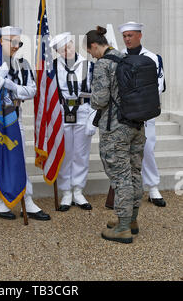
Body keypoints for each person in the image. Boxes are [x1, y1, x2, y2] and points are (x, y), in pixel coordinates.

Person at [0, 26, 50, 221]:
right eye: (13, 42)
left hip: (15, 115)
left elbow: (32, 90)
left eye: (19, 42)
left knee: (19, 157)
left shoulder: (23, 64)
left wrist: (13, 87)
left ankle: (26, 198)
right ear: (1, 41)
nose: (17, 46)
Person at [86, 26, 146, 244]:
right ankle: (131, 220)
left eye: (90, 52)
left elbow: (100, 100)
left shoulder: (103, 64)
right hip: (137, 126)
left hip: (116, 129)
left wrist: (91, 98)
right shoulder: (126, 58)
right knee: (134, 173)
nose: (91, 56)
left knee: (120, 177)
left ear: (94, 46)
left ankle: (122, 228)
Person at [118, 21, 166, 207]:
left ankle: (153, 188)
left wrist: (138, 95)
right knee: (124, 153)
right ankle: (126, 190)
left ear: (139, 36)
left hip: (146, 112)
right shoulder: (119, 57)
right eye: (125, 36)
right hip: (125, 114)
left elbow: (159, 86)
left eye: (130, 35)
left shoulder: (153, 58)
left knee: (148, 150)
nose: (127, 39)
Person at [49, 32, 95, 211]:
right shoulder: (53, 67)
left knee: (81, 154)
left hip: (83, 110)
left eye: (68, 46)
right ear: (58, 52)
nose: (67, 51)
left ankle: (78, 190)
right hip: (62, 112)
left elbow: (95, 91)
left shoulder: (88, 65)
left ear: (73, 44)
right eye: (62, 49)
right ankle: (66, 191)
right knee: (65, 153)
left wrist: (93, 117)